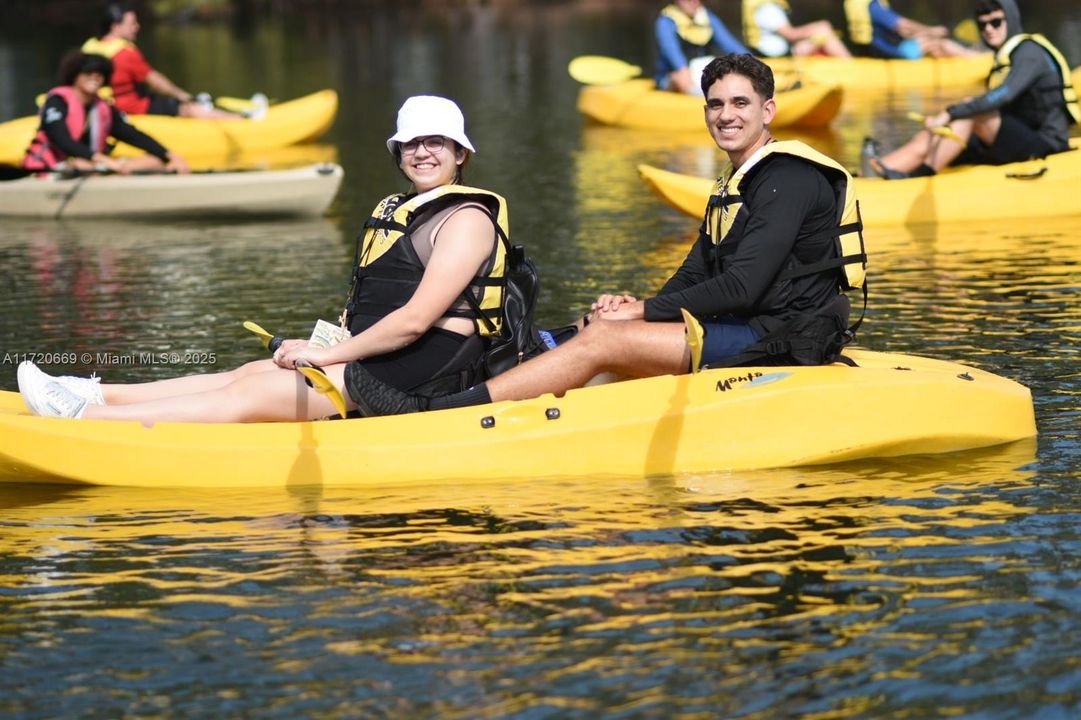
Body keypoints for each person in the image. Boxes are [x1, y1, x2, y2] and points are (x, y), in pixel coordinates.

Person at [342, 53, 866, 418]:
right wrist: (637, 303)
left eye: (739, 104)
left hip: (786, 338)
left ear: (767, 110)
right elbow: (696, 271)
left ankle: (443, 409)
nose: (725, 115)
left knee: (606, 337)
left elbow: (743, 288)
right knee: (596, 320)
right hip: (749, 325)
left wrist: (639, 315)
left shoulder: (789, 179)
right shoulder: (738, 179)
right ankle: (515, 376)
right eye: (715, 104)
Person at [17, 95, 509, 422]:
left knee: (248, 396)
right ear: (399, 151)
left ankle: (84, 419)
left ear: (460, 153)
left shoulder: (466, 219)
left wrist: (325, 355)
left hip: (422, 374)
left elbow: (415, 320)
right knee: (248, 373)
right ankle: (89, 391)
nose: (422, 153)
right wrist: (328, 340)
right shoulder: (398, 208)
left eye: (435, 142)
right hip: (383, 357)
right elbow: (383, 301)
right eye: (412, 143)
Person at [866, 0, 1078, 179]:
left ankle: (919, 177)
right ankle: (873, 173)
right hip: (1010, 138)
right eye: (982, 24)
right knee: (931, 135)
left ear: (1011, 20)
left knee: (970, 110)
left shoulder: (1029, 53)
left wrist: (950, 112)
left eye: (996, 22)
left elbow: (1005, 95)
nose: (988, 29)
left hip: (1043, 144)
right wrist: (947, 120)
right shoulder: (1004, 56)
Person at [21, 51, 190, 175]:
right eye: (89, 73)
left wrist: (169, 155)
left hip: (95, 165)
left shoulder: (103, 108)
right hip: (54, 168)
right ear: (75, 75)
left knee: (155, 161)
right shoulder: (57, 101)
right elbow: (63, 140)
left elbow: (131, 134)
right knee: (84, 165)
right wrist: (103, 160)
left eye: (100, 75)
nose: (95, 78)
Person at [81, 3, 252, 119]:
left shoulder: (89, 46)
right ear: (115, 27)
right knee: (186, 107)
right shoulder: (125, 52)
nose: (137, 27)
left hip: (101, 106)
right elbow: (155, 81)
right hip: (131, 107)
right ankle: (238, 120)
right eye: (132, 23)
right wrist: (182, 96)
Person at [656, 0, 750, 94]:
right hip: (677, 74)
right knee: (681, 77)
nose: (692, 2)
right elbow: (671, 51)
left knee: (728, 70)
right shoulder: (667, 20)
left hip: (702, 70)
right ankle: (699, 97)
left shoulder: (707, 17)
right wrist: (683, 70)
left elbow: (729, 43)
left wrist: (751, 59)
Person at [843, 0, 975, 59]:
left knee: (926, 41)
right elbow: (903, 26)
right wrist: (931, 30)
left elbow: (902, 31)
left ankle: (955, 62)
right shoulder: (874, 6)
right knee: (938, 43)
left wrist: (923, 33)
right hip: (891, 52)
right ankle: (974, 59)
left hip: (871, 51)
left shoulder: (856, 3)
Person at [741, 0, 851, 59]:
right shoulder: (768, 9)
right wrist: (818, 27)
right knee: (823, 33)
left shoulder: (764, 6)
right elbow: (791, 34)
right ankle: (850, 65)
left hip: (783, 53)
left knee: (822, 31)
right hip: (780, 58)